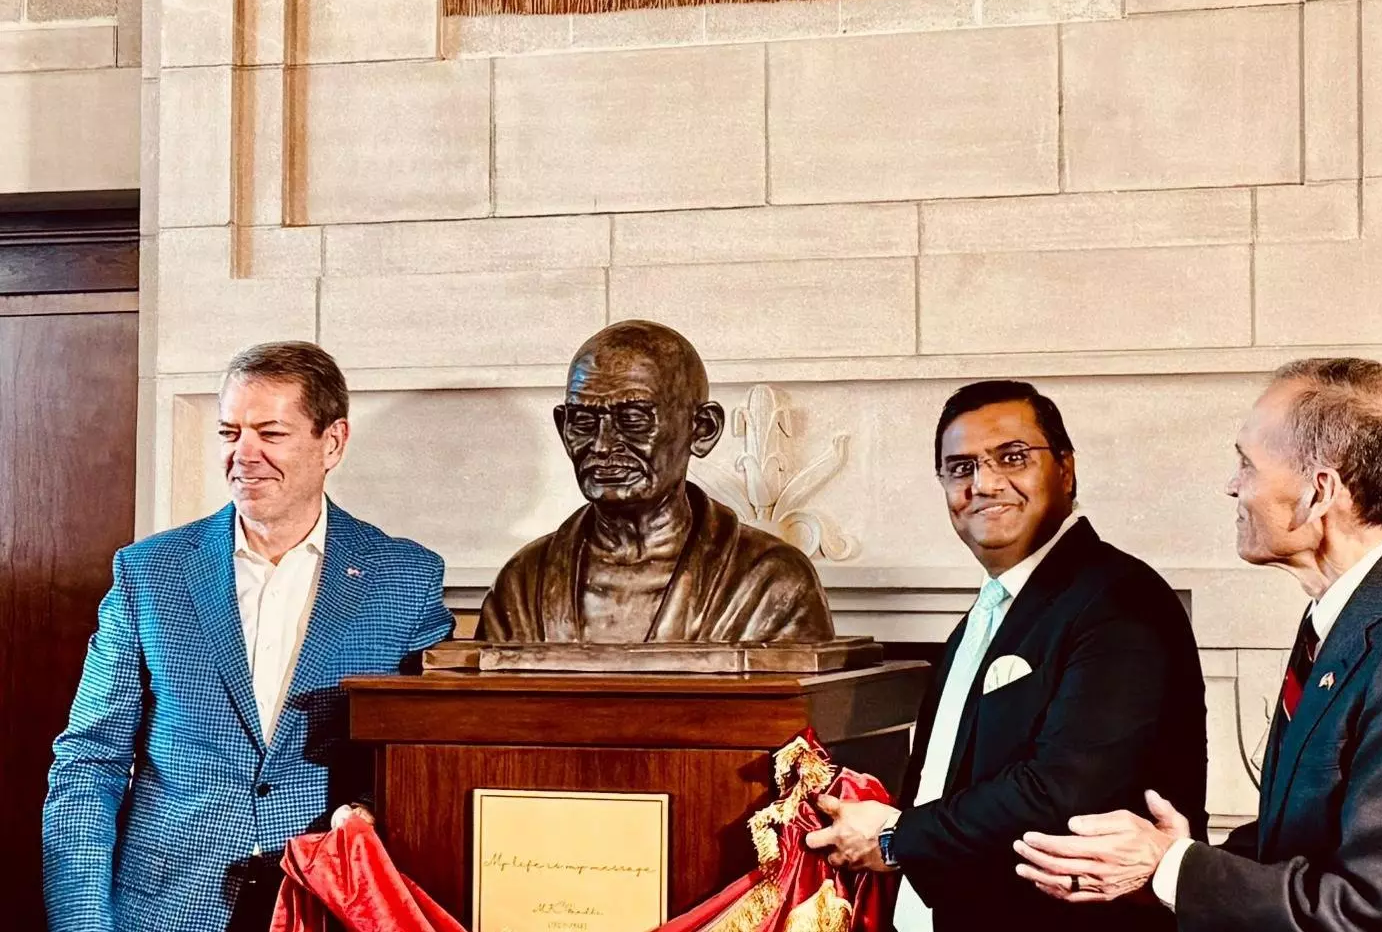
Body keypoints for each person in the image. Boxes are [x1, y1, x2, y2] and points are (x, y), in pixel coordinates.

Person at [1013, 358, 1382, 932]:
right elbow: (1305, 839)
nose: (1232, 485)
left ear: (1318, 494)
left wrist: (1171, 869)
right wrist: (1174, 862)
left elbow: (1377, 915)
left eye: (1247, 463)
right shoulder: (1349, 612)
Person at [42, 341, 455, 932]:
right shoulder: (150, 572)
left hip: (325, 904)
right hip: (164, 908)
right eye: (230, 432)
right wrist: (82, 922)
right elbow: (88, 761)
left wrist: (365, 808)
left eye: (271, 433)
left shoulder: (403, 578)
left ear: (332, 442)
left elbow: (423, 760)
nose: (245, 455)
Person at [804, 379, 1207, 932]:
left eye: (1012, 458)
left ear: (1065, 469)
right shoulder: (993, 609)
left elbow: (1064, 791)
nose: (985, 484)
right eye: (961, 467)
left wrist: (897, 840)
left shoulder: (1119, 599)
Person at [475, 319, 832, 644]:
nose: (602, 445)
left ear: (702, 430)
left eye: (633, 419)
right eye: (583, 421)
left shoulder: (771, 582)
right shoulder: (523, 584)